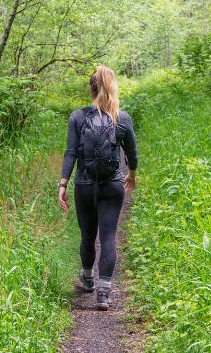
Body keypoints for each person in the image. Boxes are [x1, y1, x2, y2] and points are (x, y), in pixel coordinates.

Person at [57, 65, 138, 311]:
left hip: (83, 185)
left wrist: (62, 183)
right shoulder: (122, 118)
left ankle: (88, 277)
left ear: (91, 89)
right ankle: (104, 293)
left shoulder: (78, 117)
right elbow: (132, 154)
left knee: (87, 235)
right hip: (113, 185)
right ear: (113, 87)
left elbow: (71, 152)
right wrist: (131, 174)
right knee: (108, 236)